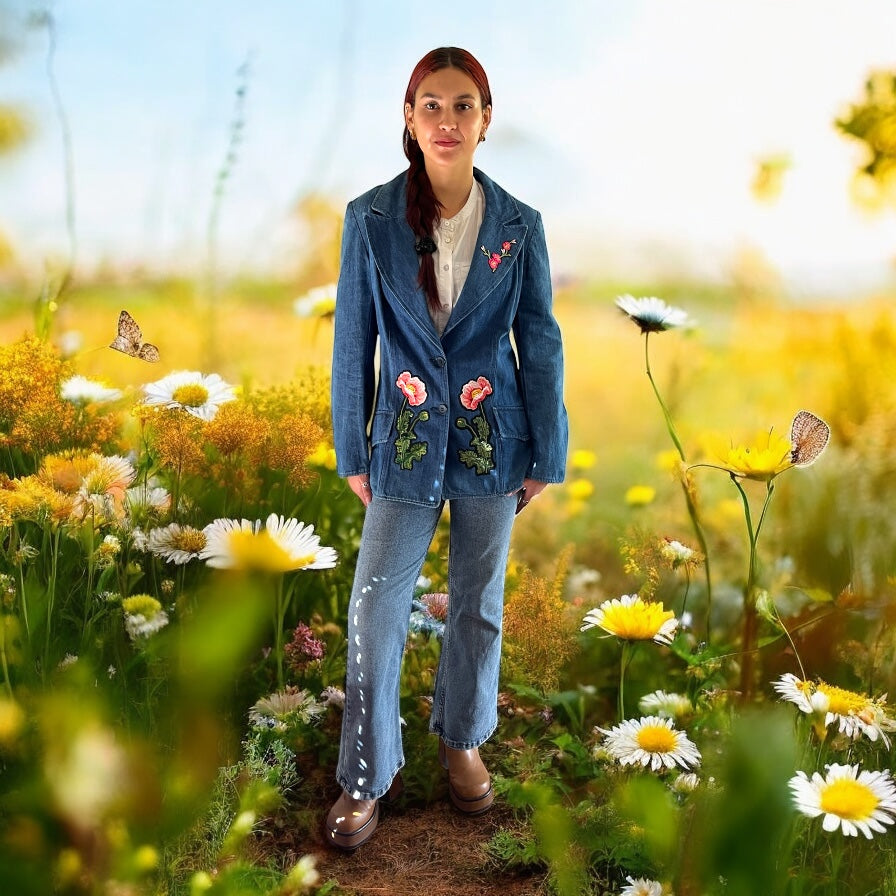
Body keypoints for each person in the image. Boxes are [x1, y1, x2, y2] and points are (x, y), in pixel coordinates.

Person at [325, 46, 568, 851]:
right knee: (375, 609)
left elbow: (540, 339)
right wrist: (351, 449)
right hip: (397, 442)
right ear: (408, 118)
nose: (447, 120)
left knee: (477, 606)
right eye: (431, 104)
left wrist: (547, 453)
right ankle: (364, 775)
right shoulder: (369, 218)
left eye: (463, 105)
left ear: (486, 121)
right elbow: (353, 338)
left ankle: (462, 740)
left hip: (494, 447)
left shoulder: (519, 225)